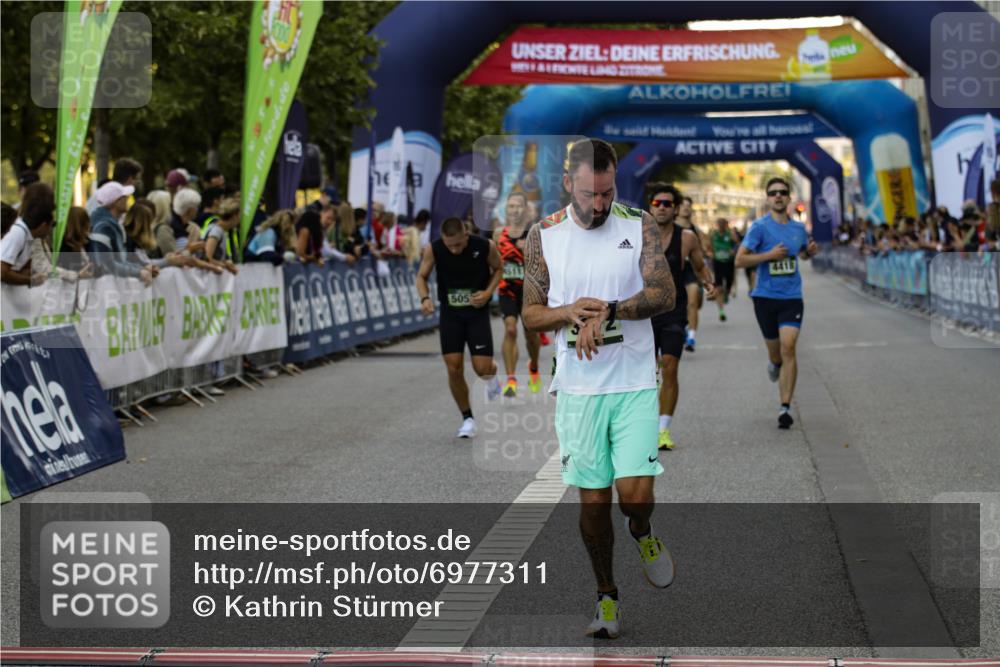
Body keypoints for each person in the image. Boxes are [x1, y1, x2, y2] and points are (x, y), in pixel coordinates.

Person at [522, 139, 676, 639]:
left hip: (633, 380)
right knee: (592, 504)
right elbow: (530, 314)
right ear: (569, 184)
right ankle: (607, 595)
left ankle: (642, 530)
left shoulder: (639, 224)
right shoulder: (543, 234)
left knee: (634, 498)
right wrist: (568, 312)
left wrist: (609, 309)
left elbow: (664, 294)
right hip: (578, 388)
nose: (600, 204)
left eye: (608, 193)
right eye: (590, 194)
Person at [735, 177, 819, 430]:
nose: (778, 196)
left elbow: (801, 253)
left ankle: (785, 407)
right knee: (776, 353)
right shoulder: (759, 227)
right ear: (768, 198)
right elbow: (740, 260)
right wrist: (769, 255)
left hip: (791, 297)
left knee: (789, 347)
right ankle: (774, 363)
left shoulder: (798, 228)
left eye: (783, 192)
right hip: (765, 297)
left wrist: (808, 252)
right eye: (773, 193)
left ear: (789, 197)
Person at [415, 216, 503, 439]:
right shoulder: (434, 249)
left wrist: (488, 293)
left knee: (482, 368)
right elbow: (421, 276)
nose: (454, 250)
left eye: (458, 244)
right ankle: (467, 419)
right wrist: (425, 298)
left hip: (476, 314)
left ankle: (492, 375)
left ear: (466, 234)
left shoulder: (485, 246)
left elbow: (498, 269)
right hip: (451, 314)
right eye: (449, 245)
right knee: (454, 368)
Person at [646, 183, 715, 451]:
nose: (662, 208)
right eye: (657, 203)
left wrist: (708, 283)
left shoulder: (686, 237)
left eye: (667, 204)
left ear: (675, 209)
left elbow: (699, 266)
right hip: (642, 313)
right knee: (645, 373)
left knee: (670, 366)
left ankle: (662, 430)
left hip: (673, 312)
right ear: (650, 207)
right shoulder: (638, 236)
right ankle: (642, 424)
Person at [493, 191, 542, 397]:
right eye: (511, 206)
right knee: (511, 330)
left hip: (529, 292)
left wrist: (526, 252)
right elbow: (494, 262)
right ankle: (511, 379)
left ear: (525, 209)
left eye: (518, 206)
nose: (514, 210)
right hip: (507, 290)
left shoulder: (534, 233)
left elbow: (543, 265)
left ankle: (534, 367)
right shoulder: (498, 234)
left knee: (531, 335)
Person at [88, 181, 156, 283]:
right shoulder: (103, 227)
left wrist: (142, 268)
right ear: (116, 202)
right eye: (124, 197)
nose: (128, 199)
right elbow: (107, 265)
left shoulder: (111, 224)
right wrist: (139, 272)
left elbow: (121, 260)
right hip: (106, 288)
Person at [1, 183, 55, 285]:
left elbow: (22, 269)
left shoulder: (29, 235)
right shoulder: (18, 233)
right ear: (43, 225)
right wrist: (30, 281)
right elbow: (2, 272)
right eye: (52, 225)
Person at [33, 206, 93, 282]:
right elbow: (46, 269)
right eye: (52, 224)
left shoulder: (86, 243)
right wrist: (77, 275)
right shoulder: (64, 247)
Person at [675, 196, 703, 351]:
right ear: (677, 208)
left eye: (688, 205)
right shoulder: (668, 226)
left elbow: (700, 253)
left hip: (690, 270)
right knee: (675, 306)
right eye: (682, 205)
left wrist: (705, 277)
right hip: (672, 271)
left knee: (693, 303)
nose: (686, 208)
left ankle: (691, 338)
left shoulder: (695, 230)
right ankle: (682, 329)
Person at [707, 217, 739, 322]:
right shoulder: (713, 235)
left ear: (726, 224)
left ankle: (727, 293)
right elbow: (708, 247)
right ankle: (721, 311)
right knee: (719, 288)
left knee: (728, 286)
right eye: (719, 223)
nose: (720, 225)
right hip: (718, 263)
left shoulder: (730, 234)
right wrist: (711, 253)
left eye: (722, 223)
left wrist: (733, 251)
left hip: (729, 262)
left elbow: (738, 244)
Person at [200, 198, 240, 275]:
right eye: (240, 215)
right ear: (234, 216)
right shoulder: (216, 231)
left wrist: (225, 262)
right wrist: (226, 266)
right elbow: (207, 258)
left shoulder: (220, 230)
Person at [170, 188, 204, 252]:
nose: (197, 209)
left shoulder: (180, 224)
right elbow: (180, 255)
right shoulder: (176, 229)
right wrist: (191, 249)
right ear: (190, 209)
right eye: (196, 206)